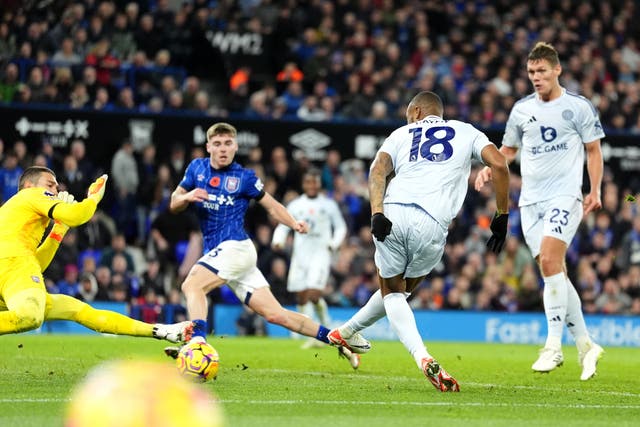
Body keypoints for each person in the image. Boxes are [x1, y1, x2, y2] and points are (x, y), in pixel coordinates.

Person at [328, 91, 510, 392]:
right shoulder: (467, 131)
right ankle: (353, 335)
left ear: (415, 111)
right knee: (400, 293)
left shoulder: (401, 133)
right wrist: (501, 215)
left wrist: (377, 213)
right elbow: (500, 165)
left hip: (394, 212)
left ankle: (354, 335)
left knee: (393, 292)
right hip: (433, 223)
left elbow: (377, 171)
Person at [166, 122, 366, 369]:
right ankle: (337, 339)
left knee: (192, 285)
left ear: (236, 146)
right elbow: (174, 202)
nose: (223, 149)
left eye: (228, 143)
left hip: (236, 248)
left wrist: (294, 223)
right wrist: (186, 197)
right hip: (222, 255)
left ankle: (197, 345)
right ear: (208, 147)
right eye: (217, 144)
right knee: (276, 315)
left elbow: (272, 206)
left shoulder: (245, 178)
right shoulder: (196, 169)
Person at [474, 42, 605, 381]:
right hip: (530, 204)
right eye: (531, 72)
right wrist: (492, 166)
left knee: (549, 262)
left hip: (564, 196)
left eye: (542, 71)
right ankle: (586, 344)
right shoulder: (520, 110)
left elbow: (593, 150)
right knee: (554, 272)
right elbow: (508, 150)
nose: (536, 77)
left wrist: (595, 189)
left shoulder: (578, 107)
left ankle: (553, 347)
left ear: (557, 70)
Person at [0, 166, 192, 344]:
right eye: (50, 185)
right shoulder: (32, 194)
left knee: (81, 311)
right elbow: (78, 215)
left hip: (11, 275)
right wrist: (93, 198)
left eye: (57, 187)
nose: (56, 191)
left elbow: (33, 266)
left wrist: (59, 228)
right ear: (28, 186)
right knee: (30, 316)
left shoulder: (17, 217)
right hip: (11, 270)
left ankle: (159, 330)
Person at [271, 168, 347, 348]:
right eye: (308, 182)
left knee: (314, 293)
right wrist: (278, 240)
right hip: (300, 255)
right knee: (302, 297)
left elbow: (341, 227)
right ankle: (310, 335)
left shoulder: (329, 205)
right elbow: (284, 224)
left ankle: (324, 328)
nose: (312, 185)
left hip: (320, 253)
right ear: (304, 184)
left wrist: (334, 244)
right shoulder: (296, 205)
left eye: (315, 182)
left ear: (319, 184)